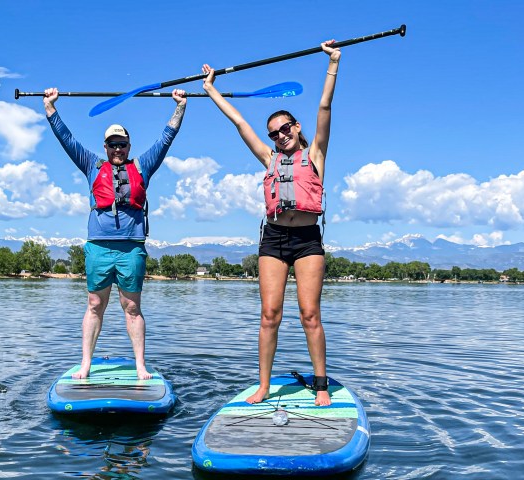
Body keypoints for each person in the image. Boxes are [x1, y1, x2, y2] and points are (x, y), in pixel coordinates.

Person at [201, 40, 340, 406]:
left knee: (310, 314)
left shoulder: (315, 154)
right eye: (274, 133)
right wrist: (211, 88)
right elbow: (239, 122)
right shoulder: (269, 158)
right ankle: (263, 386)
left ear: (296, 126)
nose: (280, 136)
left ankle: (321, 385)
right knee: (269, 315)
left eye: (285, 128)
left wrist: (333, 63)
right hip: (274, 238)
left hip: (308, 239)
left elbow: (324, 106)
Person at [43, 87, 187, 380]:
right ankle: (85, 363)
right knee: (95, 303)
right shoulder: (91, 166)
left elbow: (165, 139)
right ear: (105, 147)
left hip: (131, 248)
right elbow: (66, 140)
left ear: (129, 145)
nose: (117, 149)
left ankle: (140, 365)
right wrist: (50, 109)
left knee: (132, 306)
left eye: (122, 144)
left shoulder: (143, 166)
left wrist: (180, 107)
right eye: (112, 145)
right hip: (98, 247)